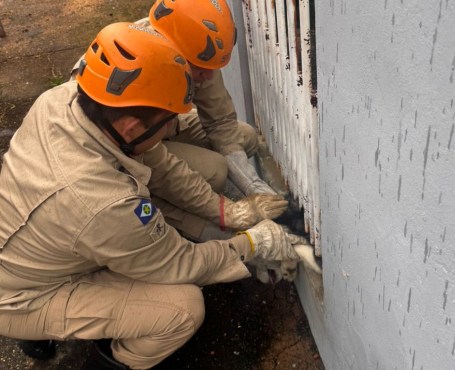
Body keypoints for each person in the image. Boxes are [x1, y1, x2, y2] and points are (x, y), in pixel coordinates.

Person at [0, 22, 299, 370]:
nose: (173, 129)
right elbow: (178, 263)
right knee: (181, 310)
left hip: (42, 243)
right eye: (169, 120)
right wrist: (251, 244)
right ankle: (105, 361)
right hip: (20, 296)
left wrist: (226, 212)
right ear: (132, 127)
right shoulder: (103, 204)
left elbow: (163, 167)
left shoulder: (68, 102)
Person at [72, 0, 289, 245]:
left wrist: (253, 184)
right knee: (216, 171)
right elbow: (163, 167)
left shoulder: (197, 51)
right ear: (174, 53)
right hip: (126, 153)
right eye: (199, 69)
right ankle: (162, 213)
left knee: (245, 136)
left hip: (156, 131)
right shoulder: (132, 77)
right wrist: (226, 217)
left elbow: (221, 121)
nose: (207, 76)